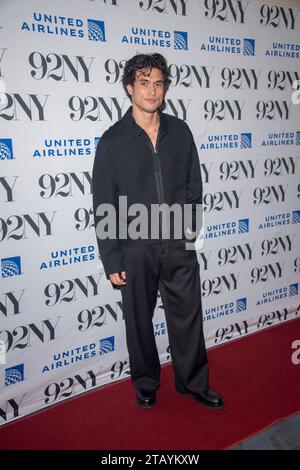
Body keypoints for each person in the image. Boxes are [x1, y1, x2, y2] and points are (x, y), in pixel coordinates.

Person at [92, 53, 224, 410]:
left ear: (165, 88)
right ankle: (146, 382)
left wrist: (190, 228)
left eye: (159, 83)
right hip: (135, 246)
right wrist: (112, 258)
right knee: (138, 320)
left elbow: (193, 184)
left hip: (177, 241)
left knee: (188, 314)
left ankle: (193, 383)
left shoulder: (179, 131)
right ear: (129, 88)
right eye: (144, 82)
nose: (152, 90)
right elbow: (104, 202)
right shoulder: (112, 141)